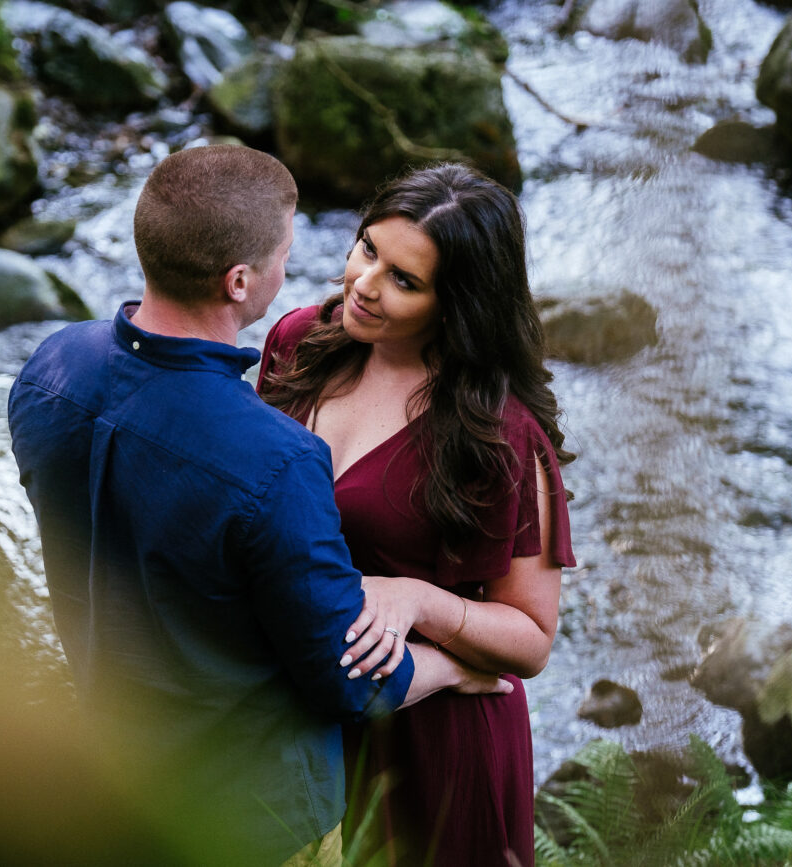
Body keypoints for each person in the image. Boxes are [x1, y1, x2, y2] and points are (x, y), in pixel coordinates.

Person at [7, 145, 510, 867]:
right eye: (283, 253)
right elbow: (348, 677)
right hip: (254, 817)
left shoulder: (52, 368)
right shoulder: (274, 461)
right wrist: (459, 670)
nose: (294, 272)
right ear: (240, 280)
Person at [257, 162, 577, 866]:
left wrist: (417, 599)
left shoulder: (499, 436)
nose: (364, 285)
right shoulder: (298, 342)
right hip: (297, 724)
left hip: (435, 747)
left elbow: (530, 640)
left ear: (455, 303)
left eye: (405, 279)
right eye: (368, 249)